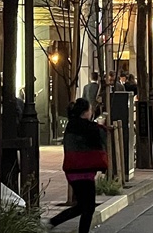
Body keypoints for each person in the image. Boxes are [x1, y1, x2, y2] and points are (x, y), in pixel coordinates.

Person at [49, 99, 106, 233]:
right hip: (85, 171)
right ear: (85, 112)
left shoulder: (71, 125)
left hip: (72, 171)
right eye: (90, 110)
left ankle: (54, 222)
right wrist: (100, 126)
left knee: (82, 206)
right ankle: (55, 222)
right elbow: (99, 144)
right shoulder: (90, 127)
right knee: (88, 206)